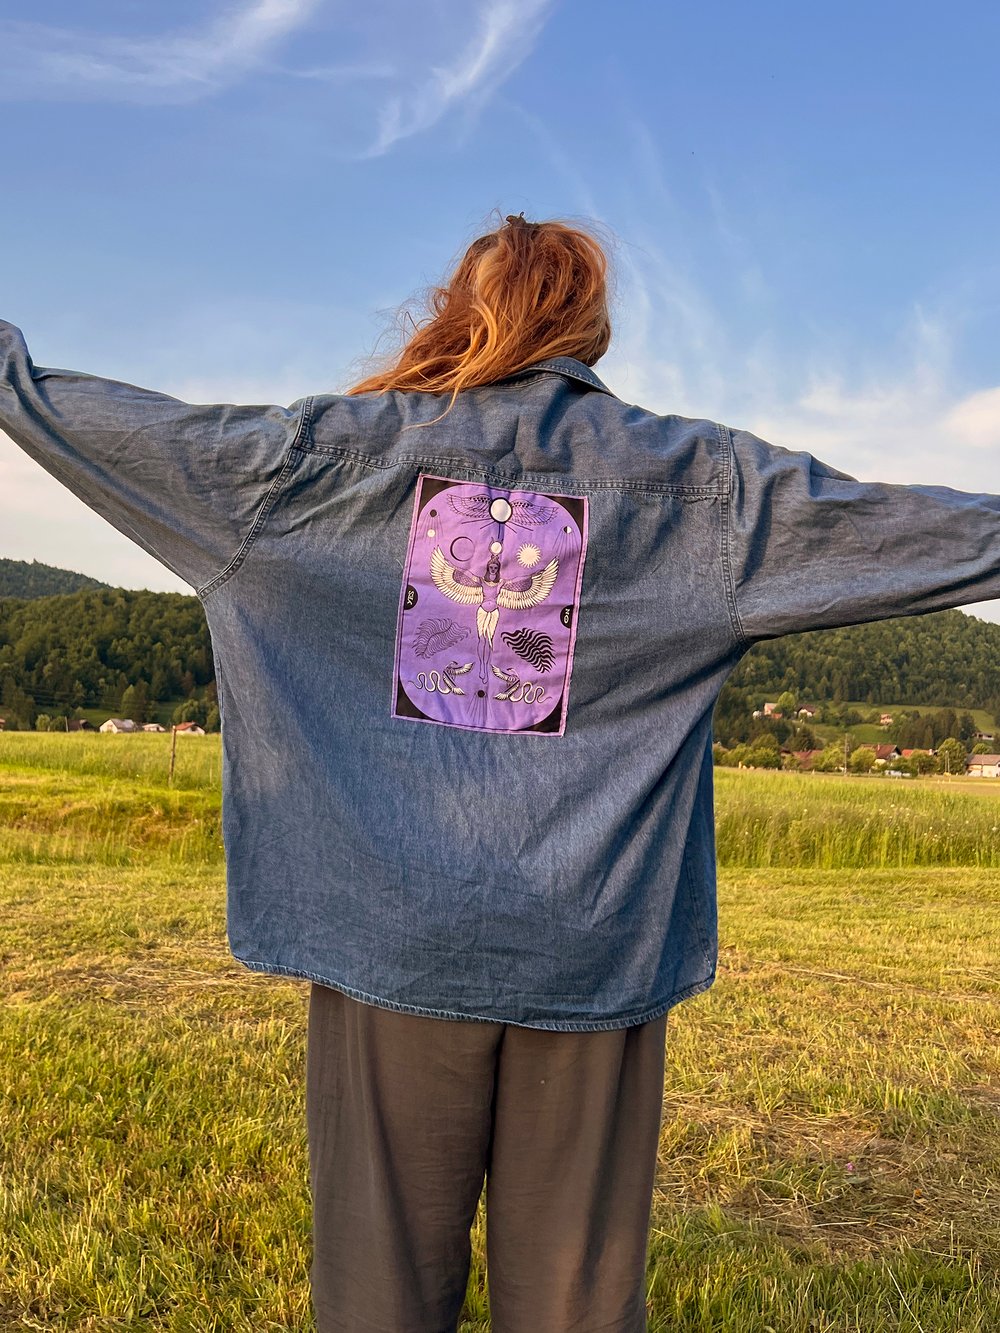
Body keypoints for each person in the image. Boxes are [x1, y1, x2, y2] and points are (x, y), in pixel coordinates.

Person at [3, 210, 1000, 1333]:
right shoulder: (707, 492)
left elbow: (88, 418)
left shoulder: (310, 465)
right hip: (591, 951)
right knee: (574, 1305)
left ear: (461, 310)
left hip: (387, 943)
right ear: (591, 327)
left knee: (377, 1296)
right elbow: (933, 531)